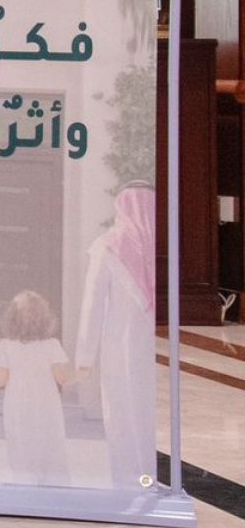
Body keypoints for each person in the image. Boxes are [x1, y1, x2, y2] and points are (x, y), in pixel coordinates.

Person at [74, 183, 156, 489]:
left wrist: (84, 357)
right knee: (150, 413)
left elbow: (92, 304)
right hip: (155, 349)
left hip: (120, 347)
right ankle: (152, 477)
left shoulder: (107, 246)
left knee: (122, 412)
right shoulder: (165, 247)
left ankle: (127, 481)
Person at [0, 289, 75, 486]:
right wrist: (81, 374)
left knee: (20, 444)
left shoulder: (7, 346)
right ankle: (54, 484)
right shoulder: (52, 345)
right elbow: (62, 378)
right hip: (46, 407)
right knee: (50, 443)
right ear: (45, 319)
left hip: (18, 406)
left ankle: (25, 483)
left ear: (11, 319)